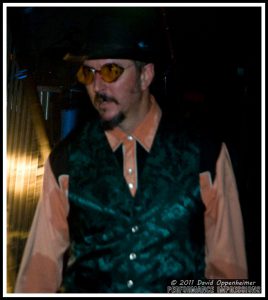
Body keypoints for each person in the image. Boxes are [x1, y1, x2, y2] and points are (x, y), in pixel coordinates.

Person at [14, 9, 248, 293]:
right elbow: (38, 275)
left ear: (145, 75)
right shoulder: (66, 160)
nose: (98, 86)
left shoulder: (204, 154)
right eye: (88, 73)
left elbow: (229, 279)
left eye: (111, 70)